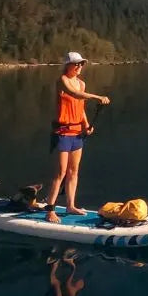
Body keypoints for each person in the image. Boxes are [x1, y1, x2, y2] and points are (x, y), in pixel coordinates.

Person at [46, 52, 110, 222]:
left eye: (81, 64)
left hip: (77, 133)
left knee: (74, 172)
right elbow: (73, 94)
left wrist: (86, 125)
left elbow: (80, 106)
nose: (79, 67)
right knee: (60, 172)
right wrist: (97, 97)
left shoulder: (82, 83)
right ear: (68, 65)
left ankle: (70, 205)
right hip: (63, 133)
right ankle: (50, 210)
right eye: (76, 64)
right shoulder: (63, 81)